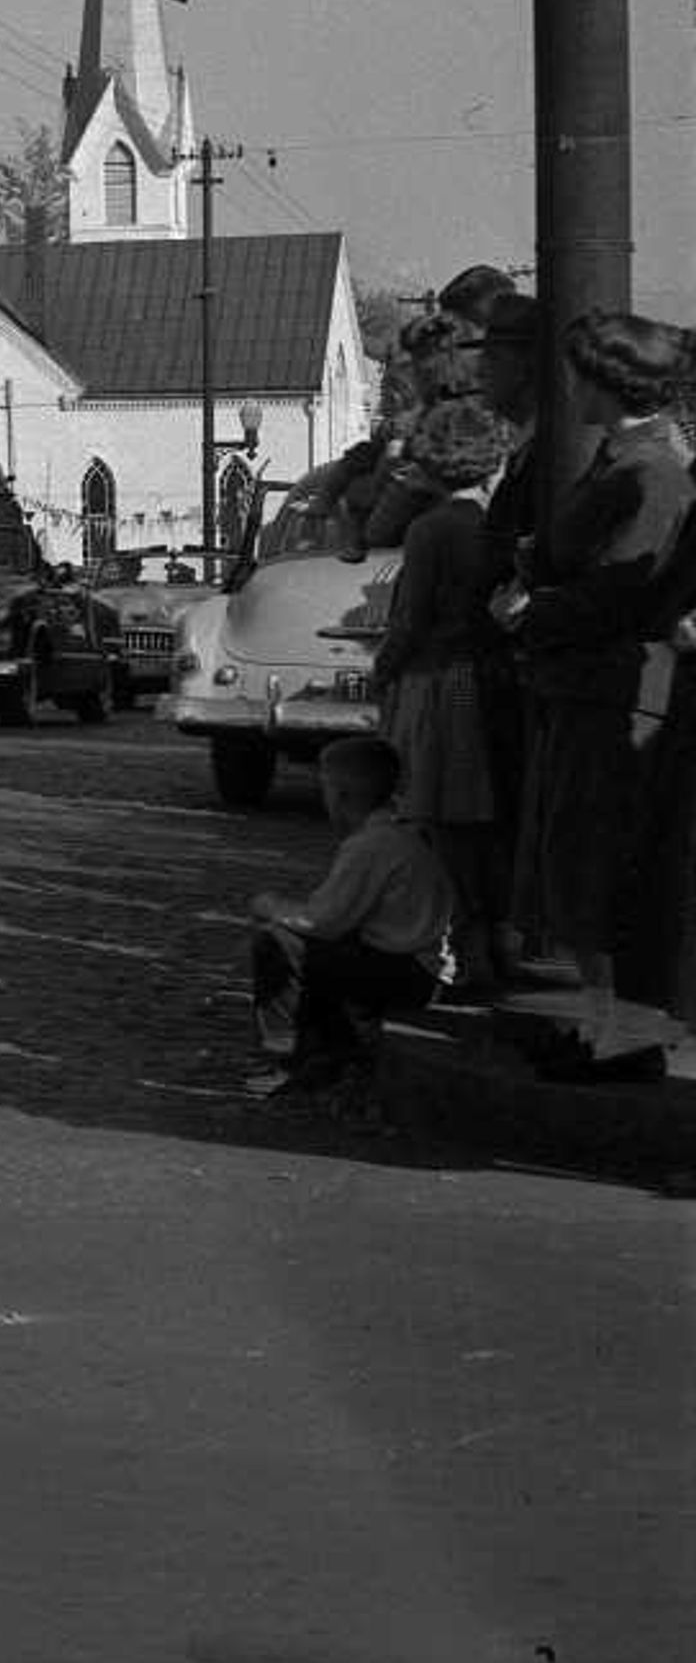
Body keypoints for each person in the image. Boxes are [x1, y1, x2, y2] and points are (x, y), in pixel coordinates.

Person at [496, 311, 695, 1058]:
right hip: (588, 683)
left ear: (608, 381)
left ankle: (620, 1034)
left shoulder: (649, 473)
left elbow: (623, 596)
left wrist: (530, 611)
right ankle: (602, 1024)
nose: (570, 387)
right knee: (572, 857)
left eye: (580, 373)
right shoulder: (624, 461)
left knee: (597, 861)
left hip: (614, 688)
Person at [369, 395, 513, 993]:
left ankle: (459, 951)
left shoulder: (431, 529)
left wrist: (382, 668)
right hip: (485, 676)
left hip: (437, 679)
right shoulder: (495, 521)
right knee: (482, 824)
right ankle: (492, 946)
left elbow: (410, 621)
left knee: (440, 819)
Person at [248, 736, 448, 1097]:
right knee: (314, 953)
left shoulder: (373, 845)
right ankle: (332, 1052)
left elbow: (322, 922)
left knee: (278, 943)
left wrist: (271, 906)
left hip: (409, 972)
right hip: (417, 964)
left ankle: (292, 1055)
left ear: (339, 795)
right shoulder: (397, 832)